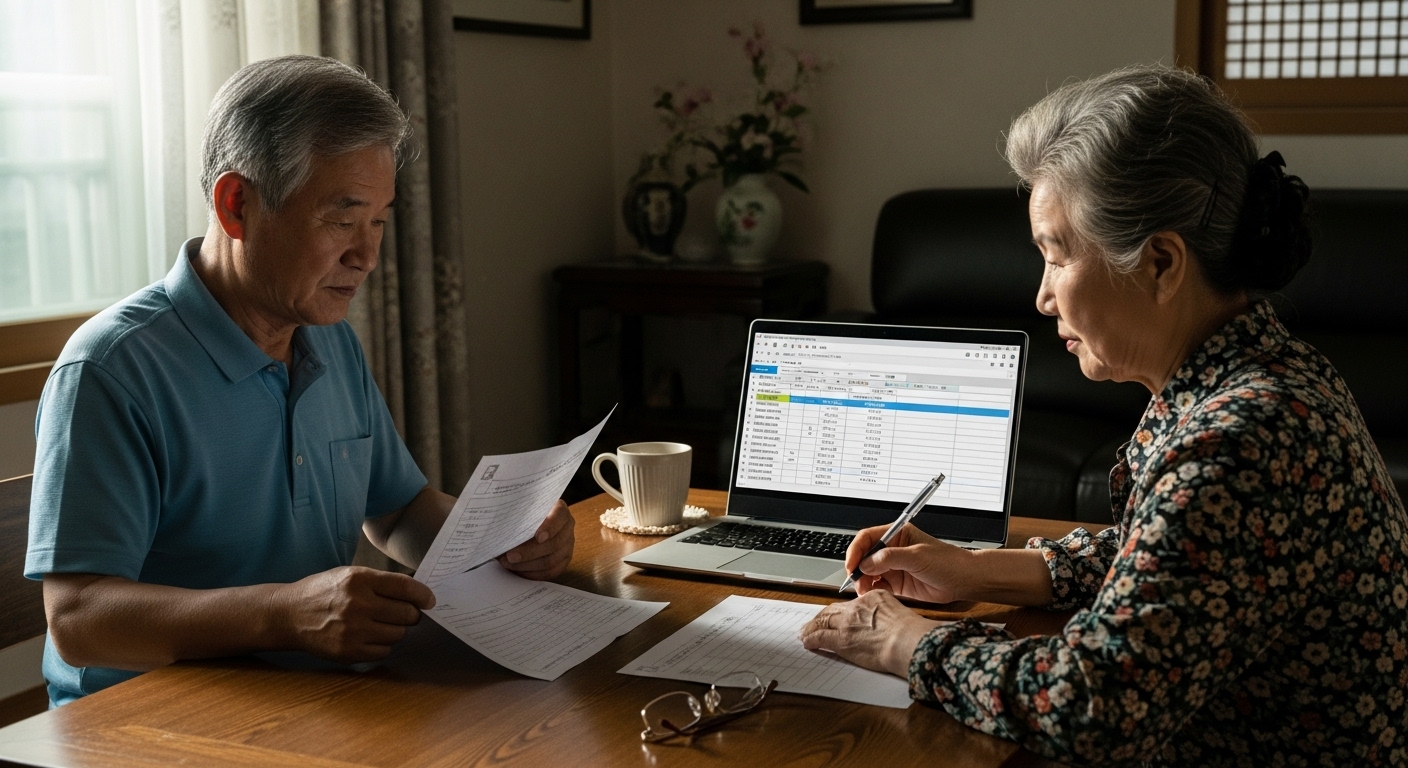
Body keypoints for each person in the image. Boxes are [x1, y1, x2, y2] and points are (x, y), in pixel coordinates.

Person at [799, 65, 1408, 765]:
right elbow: (1162, 562)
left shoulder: (1240, 439)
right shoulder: (1250, 371)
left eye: (1056, 255)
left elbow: (1094, 707)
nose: (1042, 296)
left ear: (1160, 263)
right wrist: (979, 571)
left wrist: (906, 641)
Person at [24, 55, 575, 707]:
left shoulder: (326, 335)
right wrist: (284, 615)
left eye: (378, 220)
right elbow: (81, 621)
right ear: (237, 205)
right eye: (341, 219)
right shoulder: (114, 369)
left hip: (316, 699)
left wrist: (508, 537)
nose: (367, 257)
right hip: (149, 722)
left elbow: (397, 510)